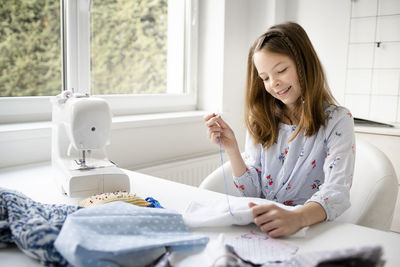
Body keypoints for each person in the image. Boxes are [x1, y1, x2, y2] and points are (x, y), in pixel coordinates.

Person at [204, 22, 355, 238]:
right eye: (264, 77)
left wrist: (297, 218)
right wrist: (232, 149)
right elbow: (252, 193)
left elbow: (337, 192)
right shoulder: (261, 120)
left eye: (281, 70)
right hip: (265, 230)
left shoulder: (337, 120)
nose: (273, 83)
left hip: (308, 231)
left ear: (304, 63)